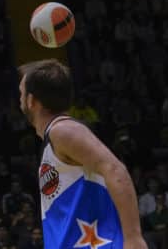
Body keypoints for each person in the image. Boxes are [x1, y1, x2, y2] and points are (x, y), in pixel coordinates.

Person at [17, 59, 147, 249]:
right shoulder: (54, 138)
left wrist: (134, 238)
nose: (19, 99)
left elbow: (116, 170)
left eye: (21, 93)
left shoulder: (63, 130)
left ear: (31, 100)